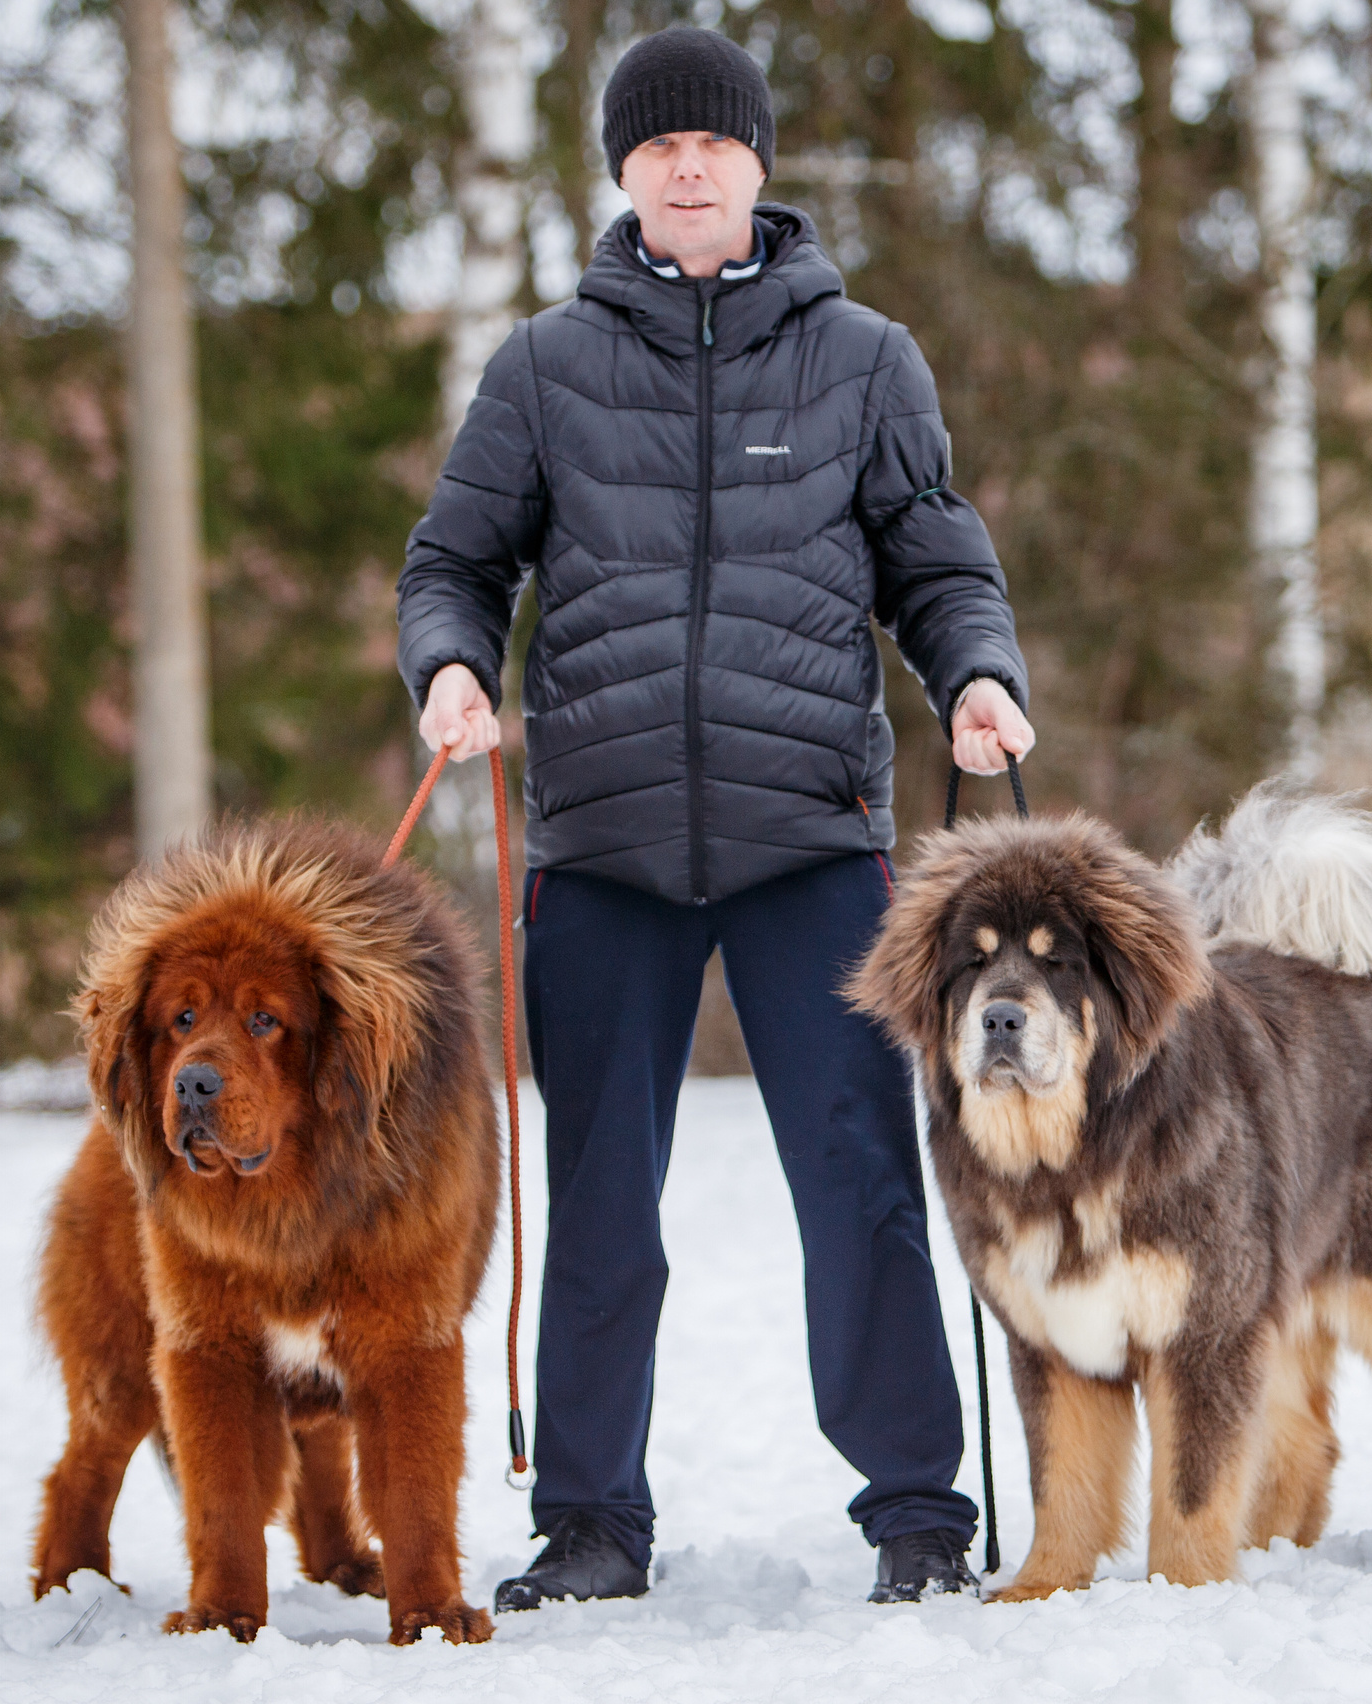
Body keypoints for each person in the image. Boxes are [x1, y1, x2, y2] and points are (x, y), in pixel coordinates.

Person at [396, 24, 1035, 1609]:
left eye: (715, 143)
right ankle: (595, 1524)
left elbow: (937, 561)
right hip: (601, 852)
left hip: (811, 844)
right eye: (657, 145)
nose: (688, 167)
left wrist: (976, 676)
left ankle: (919, 1517)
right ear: (622, 171)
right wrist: (453, 668)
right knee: (601, 1195)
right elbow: (453, 565)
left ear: (758, 164)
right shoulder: (544, 369)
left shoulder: (865, 358)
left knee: (861, 1182)